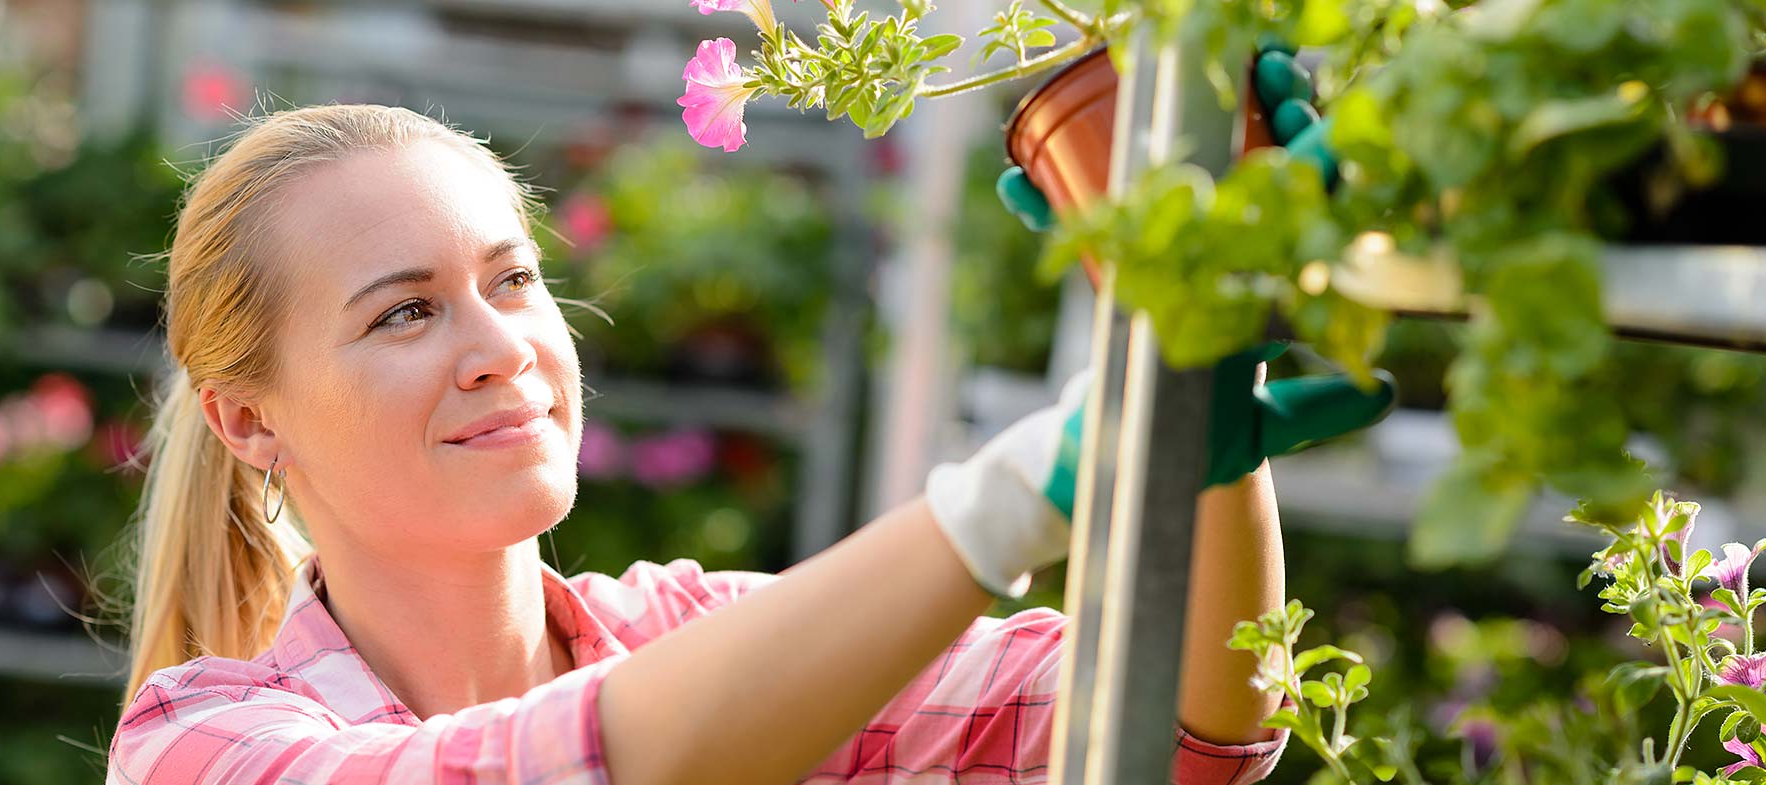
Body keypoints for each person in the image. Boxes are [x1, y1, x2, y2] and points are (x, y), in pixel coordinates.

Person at [105, 103, 1391, 785]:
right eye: (404, 311)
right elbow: (569, 768)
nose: (498, 344)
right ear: (250, 417)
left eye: (513, 279)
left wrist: (1204, 388)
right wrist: (1009, 497)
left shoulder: (691, 636)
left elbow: (1174, 730)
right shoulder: (202, 744)